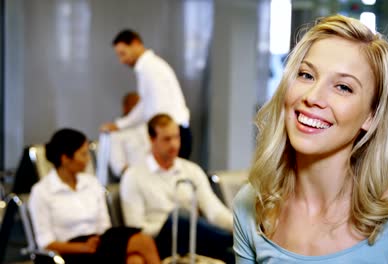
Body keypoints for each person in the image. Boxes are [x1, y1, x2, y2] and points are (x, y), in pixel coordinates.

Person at [233, 14, 388, 263]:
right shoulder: (250, 204)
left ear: (371, 116)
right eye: (306, 75)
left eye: (343, 87)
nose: (313, 96)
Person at [29, 128, 161, 264]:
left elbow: (104, 225)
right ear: (65, 159)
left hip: (97, 243)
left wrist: (96, 242)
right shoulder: (42, 192)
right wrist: (83, 247)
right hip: (69, 251)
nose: (88, 160)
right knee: (143, 242)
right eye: (83, 154)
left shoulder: (91, 183)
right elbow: (45, 242)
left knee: (135, 260)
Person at [120, 114, 234, 263]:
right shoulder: (134, 176)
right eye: (167, 139)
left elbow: (214, 210)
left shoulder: (191, 170)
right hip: (158, 241)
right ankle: (233, 239)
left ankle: (239, 238)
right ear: (151, 139)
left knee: (232, 254)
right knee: (179, 218)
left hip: (193, 238)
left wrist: (238, 226)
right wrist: (170, 225)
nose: (174, 144)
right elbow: (135, 227)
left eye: (176, 137)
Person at [100, 29, 192, 159]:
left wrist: (153, 140)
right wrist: (120, 125)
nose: (122, 60)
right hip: (169, 132)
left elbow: (158, 111)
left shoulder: (151, 68)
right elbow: (145, 106)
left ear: (136, 43)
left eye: (123, 54)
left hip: (169, 133)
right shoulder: (147, 68)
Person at [109, 91, 151, 177]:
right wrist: (137, 177)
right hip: (132, 179)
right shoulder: (116, 133)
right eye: (136, 106)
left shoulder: (148, 127)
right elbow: (119, 167)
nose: (139, 111)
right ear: (125, 107)